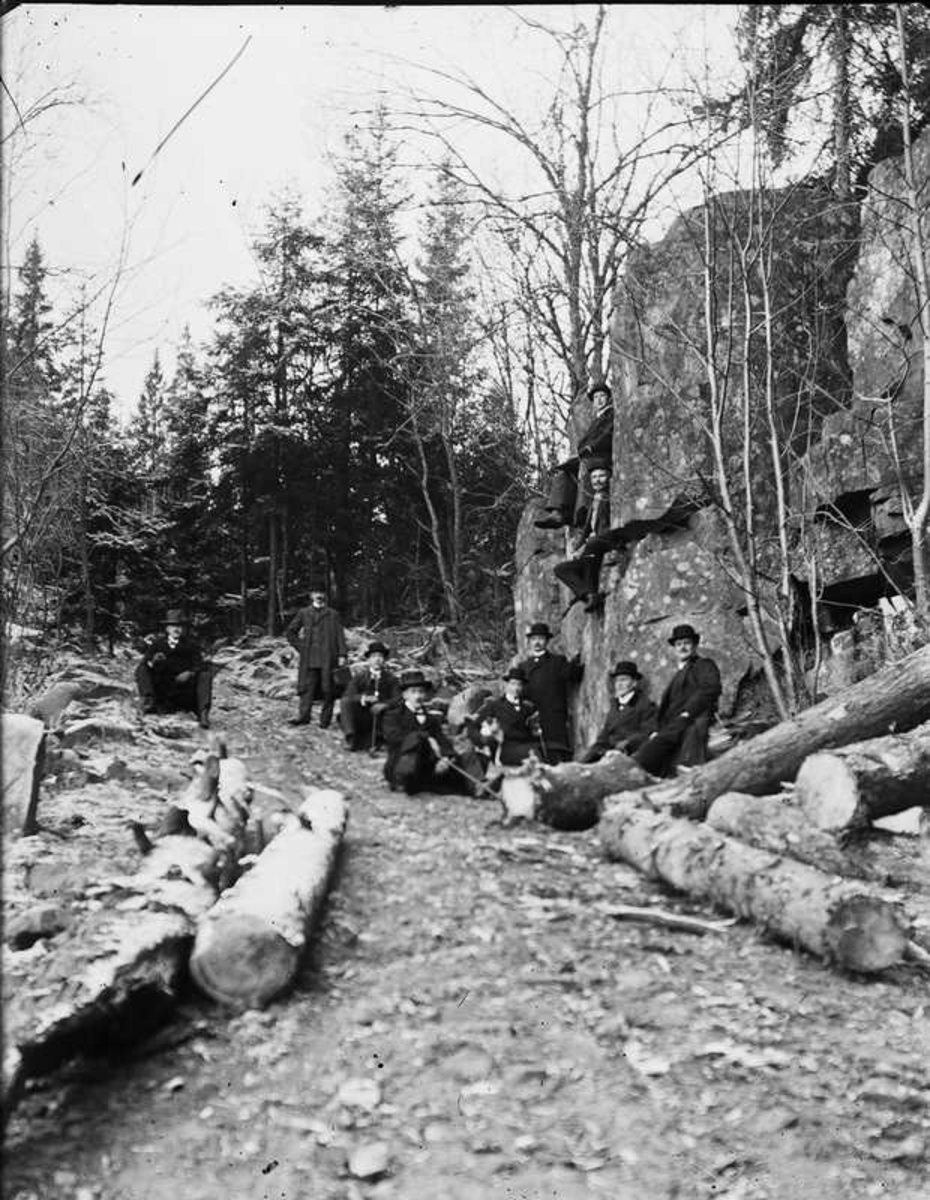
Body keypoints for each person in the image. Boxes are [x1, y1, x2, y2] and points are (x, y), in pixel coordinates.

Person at [634, 624, 722, 777]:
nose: (682, 647)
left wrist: (688, 712)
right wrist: (657, 729)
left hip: (690, 720)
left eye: (687, 643)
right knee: (643, 746)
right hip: (671, 725)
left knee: (647, 755)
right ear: (674, 648)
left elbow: (711, 688)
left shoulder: (703, 665)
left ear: (695, 645)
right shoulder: (678, 673)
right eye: (679, 644)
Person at [382, 670, 476, 796]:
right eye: (413, 692)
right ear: (405, 695)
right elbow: (394, 738)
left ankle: (477, 787)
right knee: (416, 741)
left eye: (421, 692)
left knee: (465, 756)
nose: (418, 696)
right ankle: (404, 783)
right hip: (401, 767)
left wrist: (446, 758)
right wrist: (427, 738)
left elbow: (441, 739)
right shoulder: (393, 716)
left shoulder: (431, 719)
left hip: (428, 766)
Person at [553, 456, 615, 613]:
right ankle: (587, 595)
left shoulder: (611, 496)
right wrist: (577, 548)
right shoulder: (594, 499)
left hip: (605, 540)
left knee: (591, 547)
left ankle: (591, 593)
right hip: (592, 546)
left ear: (609, 476)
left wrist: (585, 546)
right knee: (560, 569)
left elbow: (608, 525)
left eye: (601, 476)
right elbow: (587, 529)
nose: (597, 480)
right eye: (594, 477)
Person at [514, 621, 583, 763]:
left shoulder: (557, 661)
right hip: (532, 718)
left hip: (554, 717)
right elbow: (518, 692)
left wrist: (575, 662)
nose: (537, 642)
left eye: (540, 638)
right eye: (534, 639)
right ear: (529, 642)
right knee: (535, 756)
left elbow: (573, 675)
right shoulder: (523, 666)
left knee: (558, 753)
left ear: (547, 641)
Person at [135, 608, 213, 729]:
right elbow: (145, 664)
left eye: (179, 626)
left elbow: (201, 665)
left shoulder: (192, 645)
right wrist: (154, 661)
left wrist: (190, 672)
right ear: (167, 629)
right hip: (163, 693)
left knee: (205, 675)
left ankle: (203, 713)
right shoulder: (157, 644)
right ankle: (148, 701)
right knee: (141, 668)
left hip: (184, 693)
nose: (176, 629)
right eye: (172, 626)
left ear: (184, 629)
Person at [284, 586, 347, 728]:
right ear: (311, 596)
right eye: (316, 593)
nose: (319, 596)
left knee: (328, 689)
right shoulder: (304, 613)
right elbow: (290, 632)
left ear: (325, 595)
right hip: (309, 658)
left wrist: (342, 654)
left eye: (321, 593)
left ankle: (325, 721)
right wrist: (301, 647)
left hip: (329, 657)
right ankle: (303, 717)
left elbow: (340, 635)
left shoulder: (333, 614)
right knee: (307, 688)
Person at [579, 660, 656, 763]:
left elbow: (647, 732)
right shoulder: (614, 705)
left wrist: (626, 745)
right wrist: (586, 760)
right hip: (607, 753)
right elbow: (604, 736)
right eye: (617, 681)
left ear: (634, 683)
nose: (619, 684)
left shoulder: (645, 705)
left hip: (629, 755)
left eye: (623, 680)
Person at [471, 667, 541, 767]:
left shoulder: (528, 707)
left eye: (519, 684)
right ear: (506, 685)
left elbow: (535, 729)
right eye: (513, 684)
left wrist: (536, 730)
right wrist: (484, 740)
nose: (516, 688)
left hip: (528, 749)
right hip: (505, 749)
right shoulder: (494, 705)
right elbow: (475, 725)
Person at [340, 641, 401, 752]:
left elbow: (398, 698)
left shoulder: (391, 679)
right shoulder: (360, 677)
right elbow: (348, 695)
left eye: (380, 656)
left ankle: (381, 740)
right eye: (373, 656)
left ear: (384, 659)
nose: (377, 659)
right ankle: (351, 738)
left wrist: (384, 704)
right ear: (368, 660)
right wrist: (364, 698)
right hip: (363, 714)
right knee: (345, 702)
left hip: (382, 716)